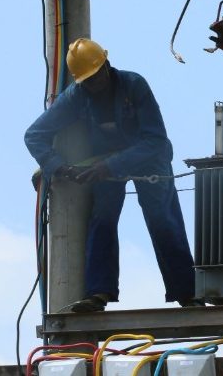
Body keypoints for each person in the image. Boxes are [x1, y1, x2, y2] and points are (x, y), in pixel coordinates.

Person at [25, 38, 197, 311]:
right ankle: (99, 293)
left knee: (162, 218)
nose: (93, 85)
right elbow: (34, 135)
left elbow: (155, 140)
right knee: (102, 219)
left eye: (95, 77)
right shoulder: (76, 96)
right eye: (87, 81)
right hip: (104, 164)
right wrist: (58, 167)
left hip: (148, 158)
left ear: (107, 65)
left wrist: (111, 166)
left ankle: (187, 293)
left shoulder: (134, 85)